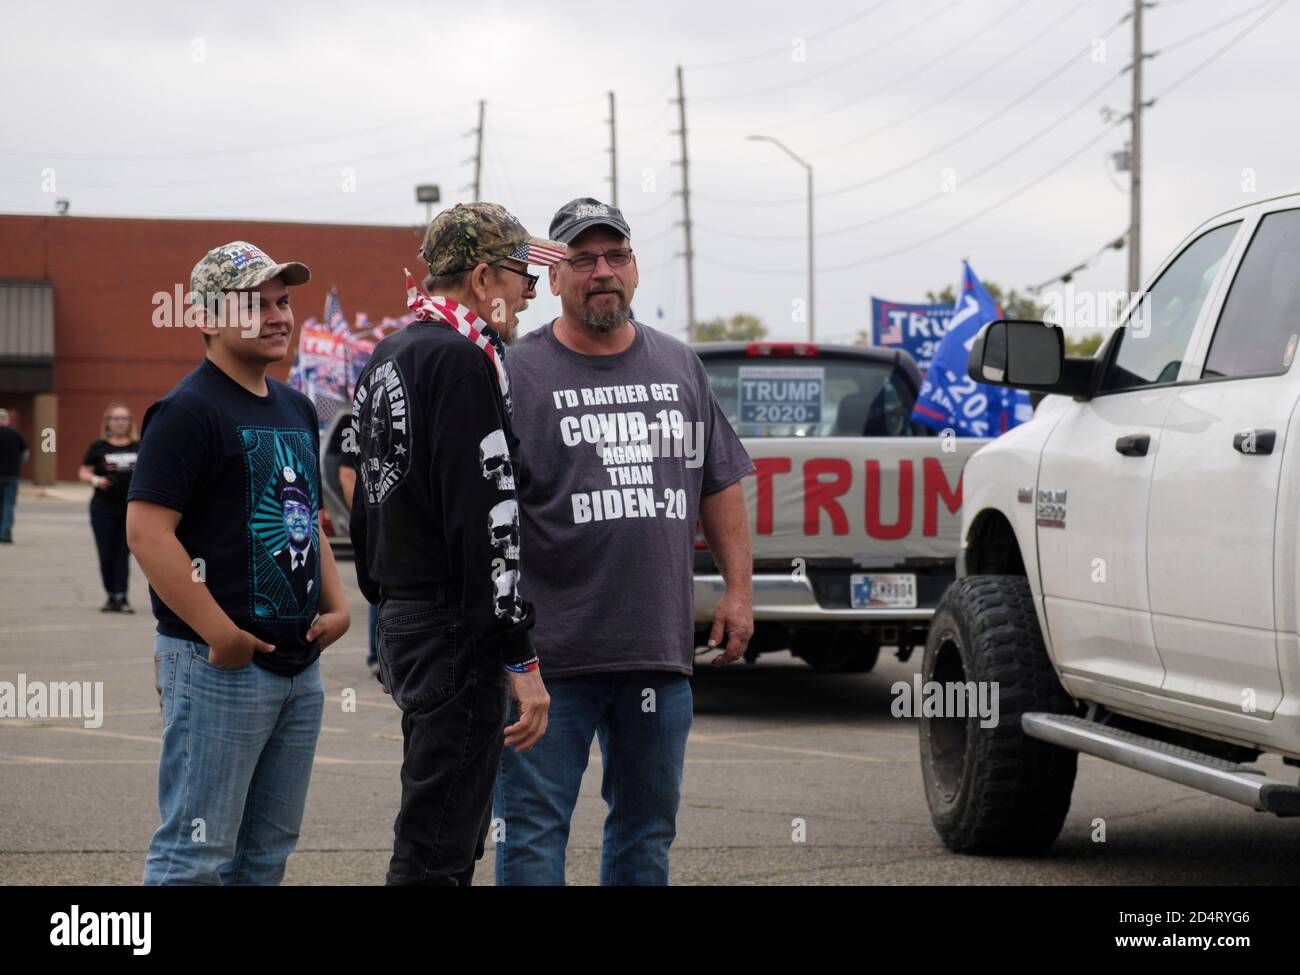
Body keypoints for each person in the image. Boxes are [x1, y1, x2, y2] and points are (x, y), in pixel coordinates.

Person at [494, 197, 756, 886]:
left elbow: (720, 481)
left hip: (657, 653)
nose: (602, 271)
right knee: (531, 832)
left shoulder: (680, 367)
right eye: (583, 259)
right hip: (546, 659)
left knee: (646, 831)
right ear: (553, 277)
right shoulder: (513, 373)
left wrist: (737, 591)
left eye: (616, 256)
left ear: (635, 268)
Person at [127, 241, 350, 885]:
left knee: (265, 855)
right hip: (216, 664)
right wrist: (218, 632)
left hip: (297, 668)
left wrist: (336, 605)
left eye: (283, 302)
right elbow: (146, 532)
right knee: (194, 854)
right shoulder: (187, 411)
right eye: (257, 304)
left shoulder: (297, 407)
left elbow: (303, 512)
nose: (279, 315)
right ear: (208, 317)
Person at [349, 203, 557, 885]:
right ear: (478, 276)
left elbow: (362, 493)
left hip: (407, 617)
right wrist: (518, 654)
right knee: (440, 846)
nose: (529, 290)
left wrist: (385, 598)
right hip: (453, 629)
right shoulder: (464, 361)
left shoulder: (392, 352)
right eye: (519, 274)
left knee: (433, 828)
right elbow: (487, 520)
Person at [78, 403, 140, 611]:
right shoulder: (99, 446)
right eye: (117, 418)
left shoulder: (139, 446)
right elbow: (84, 471)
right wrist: (97, 480)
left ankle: (122, 596)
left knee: (123, 552)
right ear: (108, 422)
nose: (121, 422)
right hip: (103, 507)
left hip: (130, 509)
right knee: (106, 552)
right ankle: (111, 595)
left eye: (125, 418)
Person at [332, 417, 379, 676]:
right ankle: (377, 657)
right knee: (379, 587)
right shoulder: (360, 424)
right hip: (377, 523)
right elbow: (347, 475)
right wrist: (367, 517)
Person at [0, 408, 28, 544]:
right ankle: (5, 534)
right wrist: (17, 462)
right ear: (6, 420)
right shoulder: (15, 435)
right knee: (8, 505)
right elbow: (25, 454)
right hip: (12, 475)